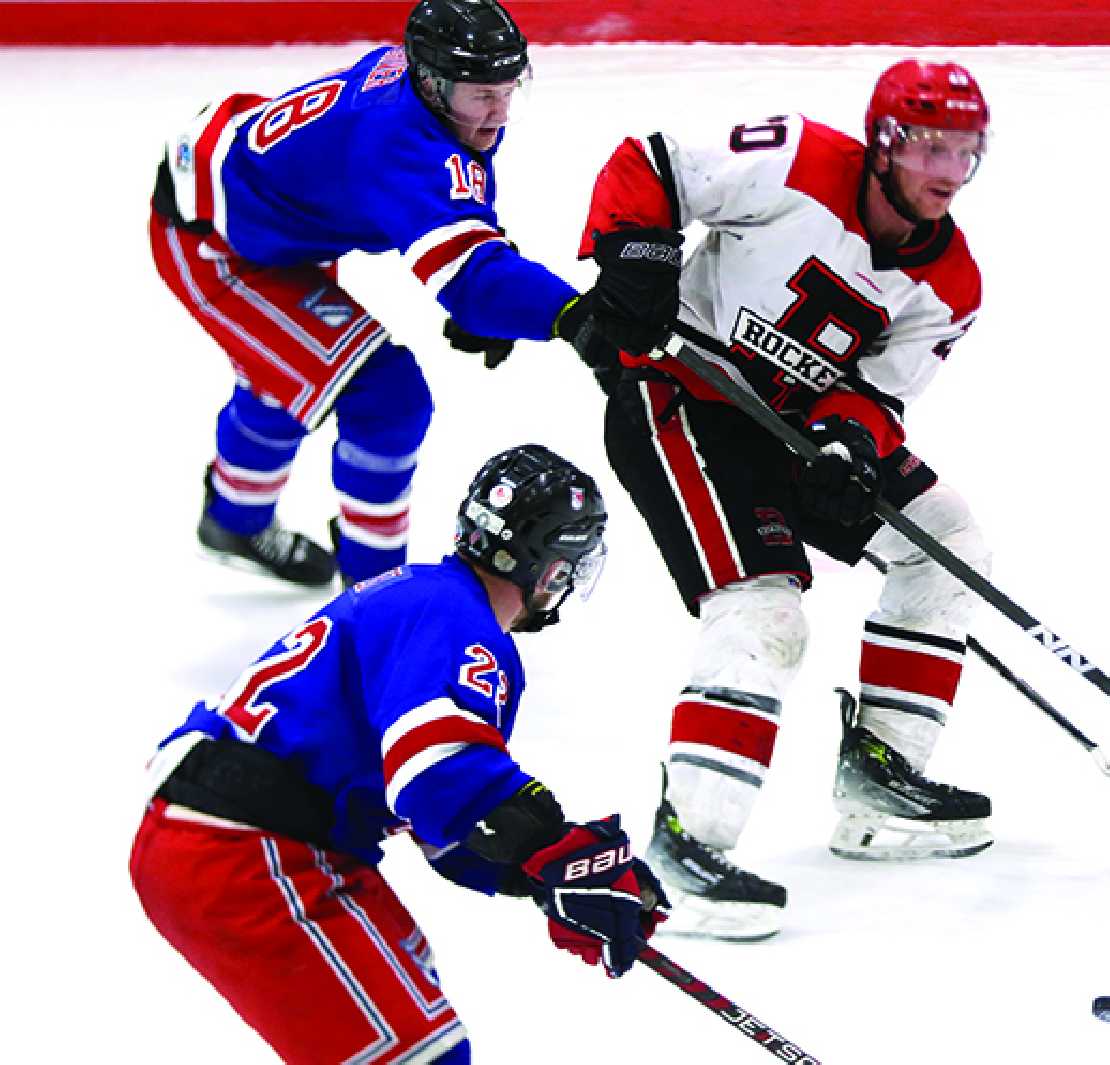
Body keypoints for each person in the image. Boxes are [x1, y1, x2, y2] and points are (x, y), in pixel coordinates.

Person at [570, 60, 997, 940]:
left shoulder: (952, 284)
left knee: (946, 539)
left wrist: (848, 440)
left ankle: (882, 780)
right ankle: (684, 850)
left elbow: (878, 393)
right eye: (927, 146)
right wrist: (639, 260)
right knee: (765, 611)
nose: (947, 171)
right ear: (883, 143)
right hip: (677, 397)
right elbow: (651, 164)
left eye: (964, 151)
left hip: (795, 434)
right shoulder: (794, 158)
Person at [129, 444, 668, 1063]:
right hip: (243, 848)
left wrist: (550, 874)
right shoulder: (458, 621)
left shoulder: (424, 598)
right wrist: (555, 848)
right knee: (419, 1055)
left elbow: (438, 818)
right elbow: (436, 766)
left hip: (239, 838)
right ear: (551, 569)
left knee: (408, 982)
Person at [149, 0, 669, 588]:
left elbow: (454, 214)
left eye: (509, 90)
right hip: (218, 244)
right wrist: (574, 317)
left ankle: (233, 520)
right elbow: (469, 277)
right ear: (430, 79)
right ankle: (374, 596)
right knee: (385, 397)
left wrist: (497, 280)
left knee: (290, 375)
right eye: (481, 95)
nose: (497, 113)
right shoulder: (399, 142)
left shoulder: (422, 93)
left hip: (265, 219)